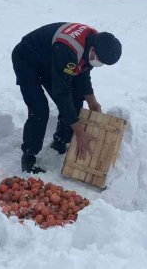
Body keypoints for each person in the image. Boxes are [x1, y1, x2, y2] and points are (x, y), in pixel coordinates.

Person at [11, 23, 122, 173]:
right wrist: (79, 130)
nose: (99, 63)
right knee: (39, 108)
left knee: (76, 97)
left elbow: (83, 71)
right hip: (27, 59)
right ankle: (29, 156)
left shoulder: (94, 40)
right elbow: (61, 93)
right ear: (93, 49)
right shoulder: (69, 48)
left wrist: (92, 101)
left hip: (51, 59)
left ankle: (60, 142)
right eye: (100, 60)